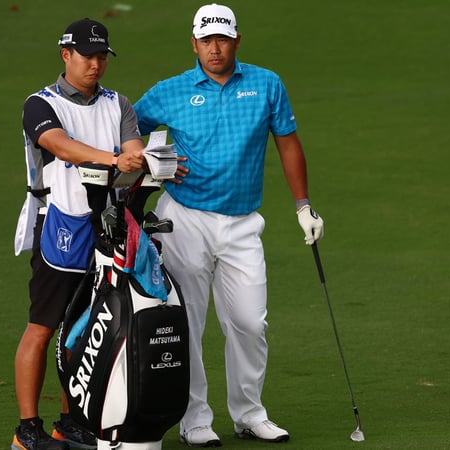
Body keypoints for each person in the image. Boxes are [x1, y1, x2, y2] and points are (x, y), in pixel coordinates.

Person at [133, 3, 325, 447]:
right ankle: (195, 419)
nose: (213, 49)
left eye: (221, 40)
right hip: (184, 219)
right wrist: (148, 160)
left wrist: (303, 206)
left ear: (236, 40)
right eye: (205, 41)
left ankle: (248, 413)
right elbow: (128, 127)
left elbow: (288, 143)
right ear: (194, 44)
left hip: (242, 223)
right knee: (189, 322)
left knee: (249, 322)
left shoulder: (265, 84)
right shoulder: (171, 90)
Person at [12, 18, 146, 450]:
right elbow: (60, 145)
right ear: (65, 55)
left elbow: (133, 151)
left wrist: (149, 159)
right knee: (44, 326)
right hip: (59, 226)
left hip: (106, 226)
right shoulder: (40, 103)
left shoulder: (118, 104)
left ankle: (71, 423)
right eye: (87, 56)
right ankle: (26, 430)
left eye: (102, 56)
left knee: (89, 328)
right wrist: (114, 159)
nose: (95, 64)